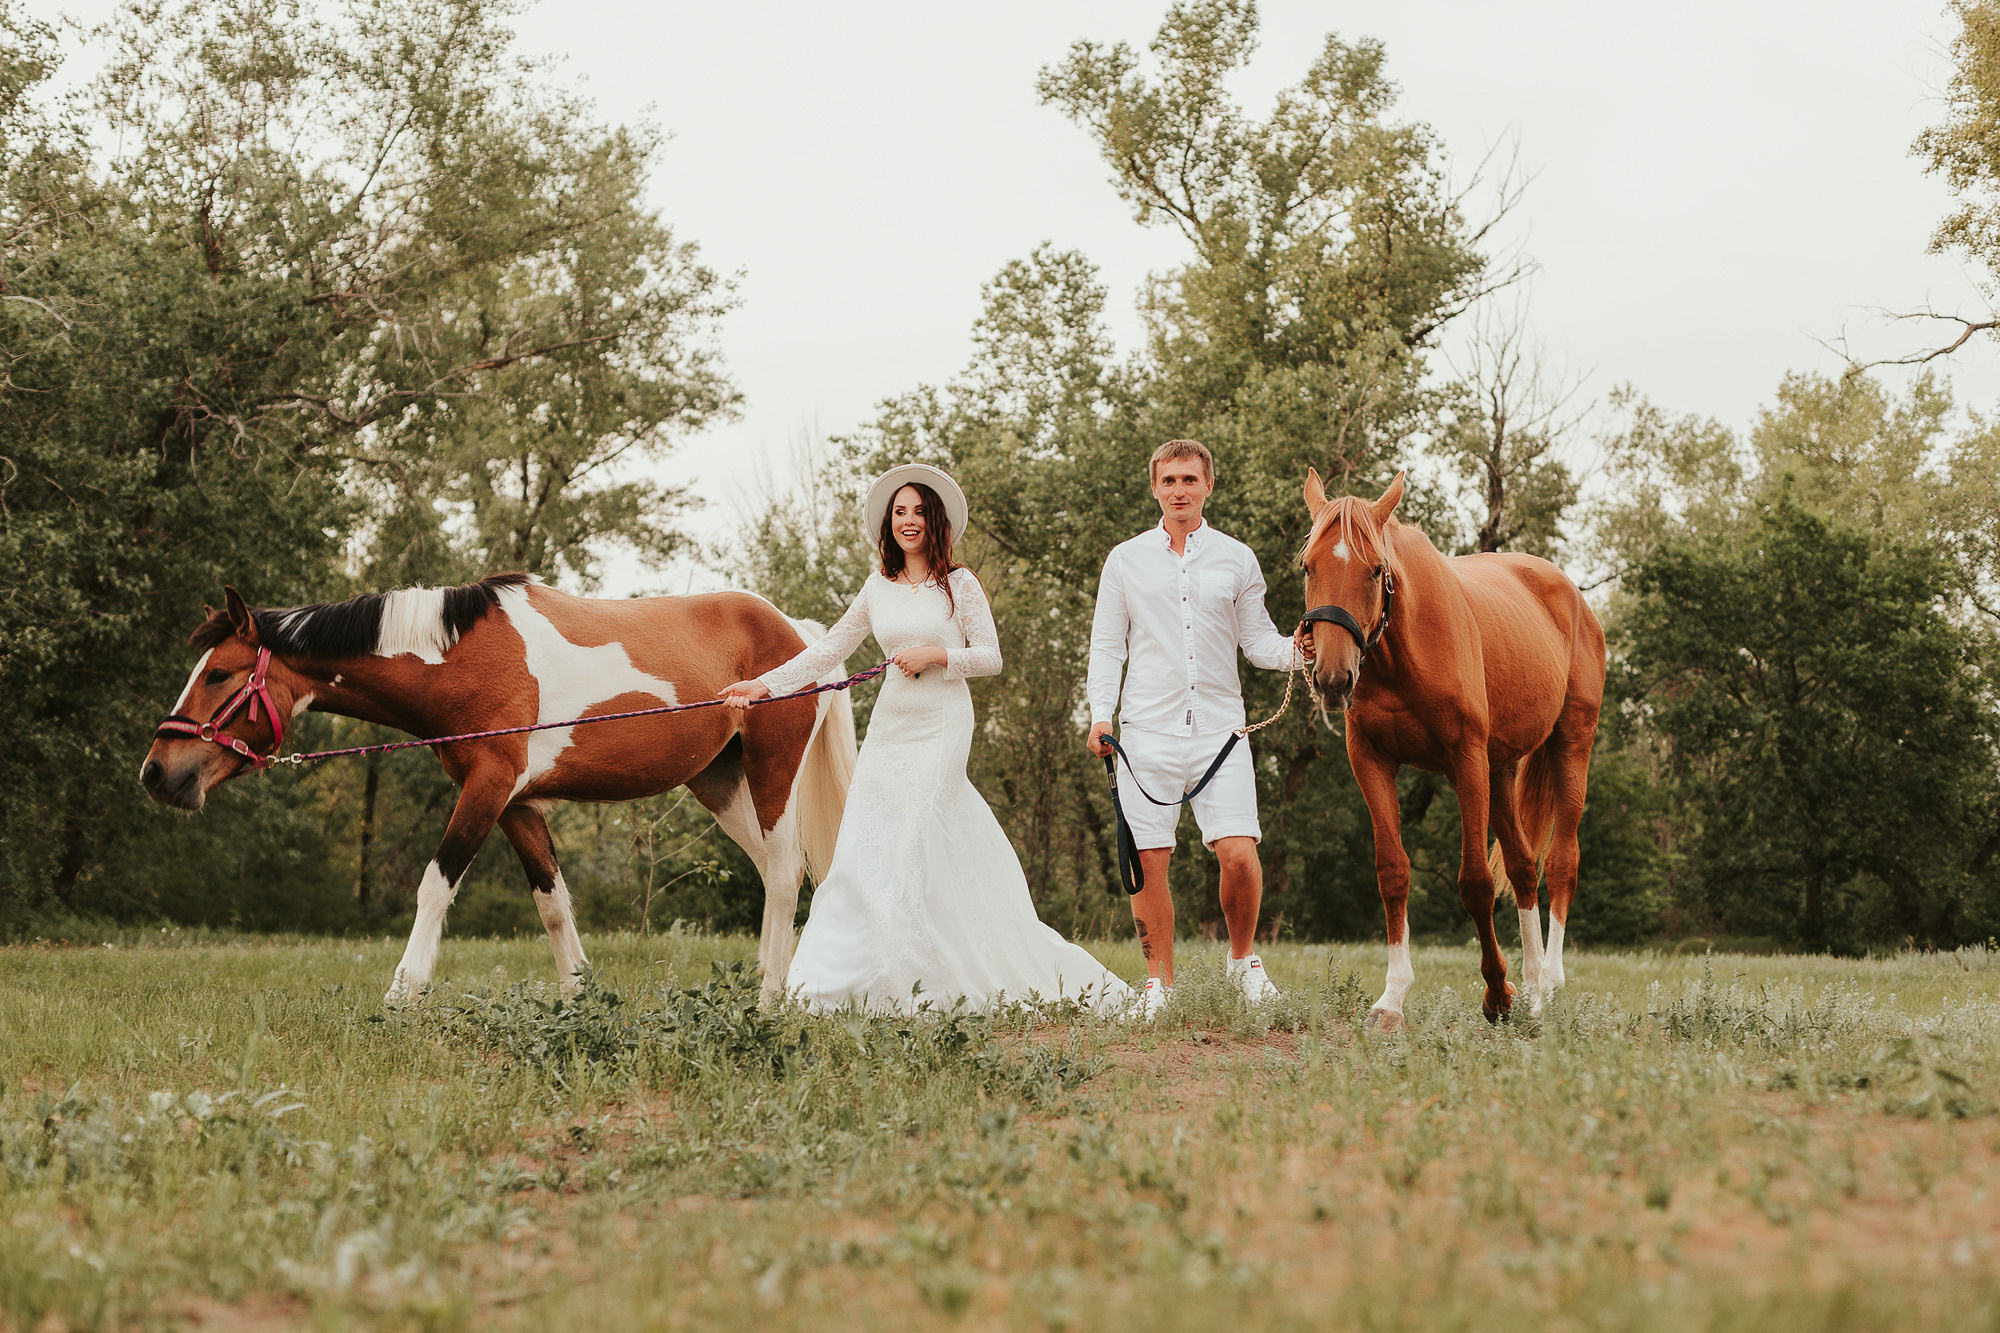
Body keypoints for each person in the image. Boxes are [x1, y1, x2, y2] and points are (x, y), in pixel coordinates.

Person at [721, 463, 1132, 1015]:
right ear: (888, 524)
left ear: (934, 521)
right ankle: (855, 980)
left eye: (917, 511)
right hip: (891, 724)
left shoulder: (958, 584)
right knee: (865, 840)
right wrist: (763, 686)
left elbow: (990, 657)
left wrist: (937, 654)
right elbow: (827, 651)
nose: (908, 521)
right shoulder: (877, 588)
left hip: (941, 721)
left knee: (915, 835)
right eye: (899, 512)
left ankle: (922, 979)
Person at [1086, 439, 1300, 1020]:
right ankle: (1160, 985)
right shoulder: (1125, 559)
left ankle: (1242, 965)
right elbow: (1108, 646)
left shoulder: (1237, 558)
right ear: (1154, 487)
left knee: (1237, 854)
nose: (1179, 490)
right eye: (1169, 480)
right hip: (1144, 733)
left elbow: (1257, 642)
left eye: (1190, 480)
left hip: (1220, 733)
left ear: (1209, 485)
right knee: (1149, 861)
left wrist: (1304, 651)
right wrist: (1100, 715)